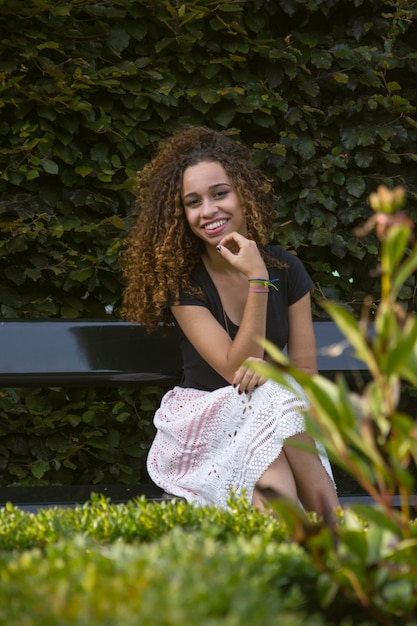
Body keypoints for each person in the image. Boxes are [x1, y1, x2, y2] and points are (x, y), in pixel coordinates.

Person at [121, 126, 339, 515]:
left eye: (219, 193)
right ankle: (336, 544)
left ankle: (313, 555)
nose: (208, 211)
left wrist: (271, 370)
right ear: (180, 214)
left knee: (274, 419)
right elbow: (235, 369)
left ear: (243, 194)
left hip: (276, 416)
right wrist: (257, 279)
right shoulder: (184, 281)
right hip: (207, 424)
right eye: (193, 202)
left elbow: (306, 373)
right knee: (273, 401)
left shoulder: (287, 269)